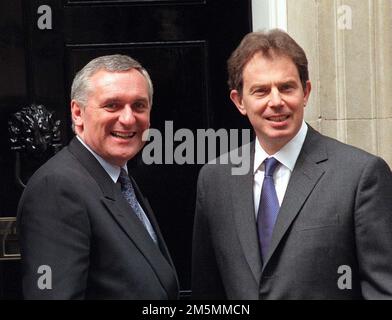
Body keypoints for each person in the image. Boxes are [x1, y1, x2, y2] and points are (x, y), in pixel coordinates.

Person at [191, 29, 392, 299]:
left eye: (286, 87)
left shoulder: (360, 176)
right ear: (239, 101)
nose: (276, 102)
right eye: (261, 91)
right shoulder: (214, 179)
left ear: (305, 92)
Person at [17, 54, 179, 299]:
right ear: (78, 113)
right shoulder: (56, 189)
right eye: (112, 105)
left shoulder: (119, 179)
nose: (127, 119)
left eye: (139, 106)